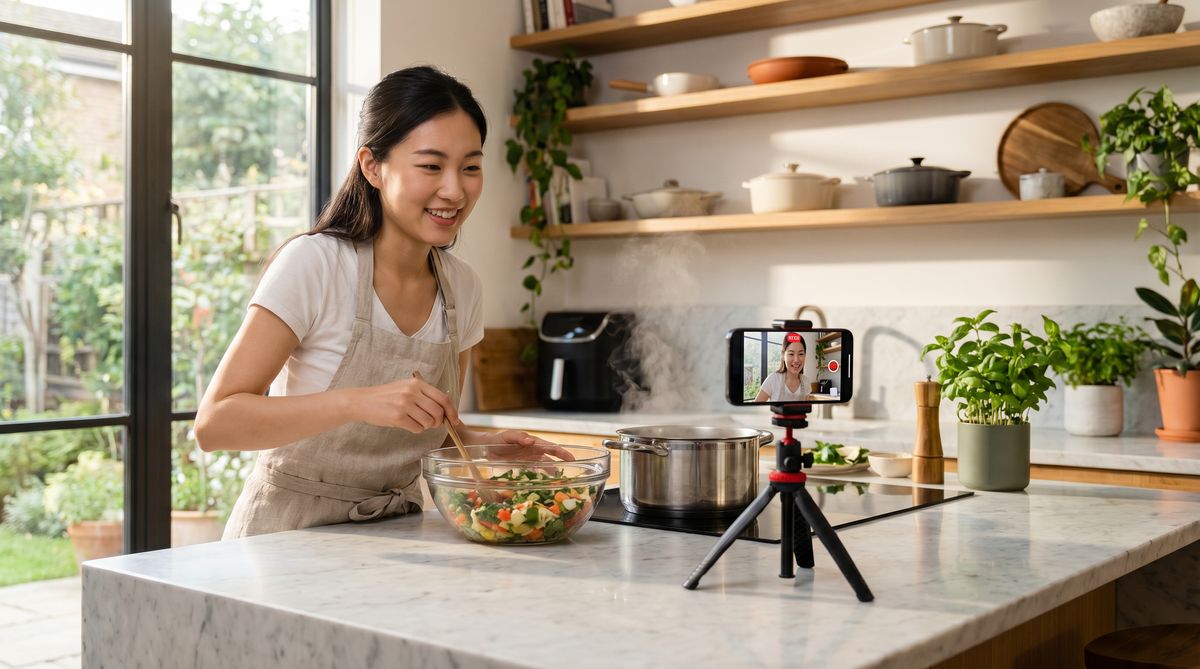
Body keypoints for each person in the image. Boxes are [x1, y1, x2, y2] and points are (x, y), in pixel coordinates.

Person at [194, 66, 565, 539]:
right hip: (283, 537)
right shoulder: (316, 263)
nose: (455, 190)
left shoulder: (462, 288)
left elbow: (430, 430)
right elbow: (216, 424)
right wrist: (356, 402)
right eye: (430, 166)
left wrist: (485, 447)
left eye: (470, 167)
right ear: (372, 166)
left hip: (395, 536)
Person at [754, 334, 809, 402]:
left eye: (801, 354)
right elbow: (756, 406)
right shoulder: (773, 379)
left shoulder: (806, 382)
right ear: (783, 355)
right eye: (791, 354)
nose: (796, 360)